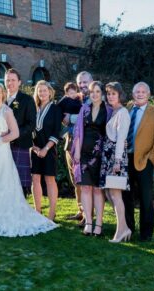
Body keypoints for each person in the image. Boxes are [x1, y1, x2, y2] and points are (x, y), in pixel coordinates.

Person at [0, 82, 57, 237]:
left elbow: (15, 133)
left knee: (1, 182)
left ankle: (2, 216)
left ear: (3, 94)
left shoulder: (7, 110)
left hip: (2, 152)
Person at [72, 81, 112, 236]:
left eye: (97, 91)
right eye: (91, 92)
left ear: (102, 93)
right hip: (83, 153)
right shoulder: (84, 108)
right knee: (85, 188)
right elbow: (77, 131)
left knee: (97, 190)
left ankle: (99, 224)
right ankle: (88, 222)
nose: (94, 94)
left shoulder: (108, 110)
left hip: (100, 155)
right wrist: (76, 151)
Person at [123, 82, 154, 242]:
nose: (140, 94)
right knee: (126, 196)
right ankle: (129, 228)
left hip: (144, 160)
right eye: (137, 91)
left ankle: (146, 233)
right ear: (133, 94)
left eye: (143, 92)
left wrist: (151, 159)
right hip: (126, 159)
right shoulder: (128, 109)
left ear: (149, 94)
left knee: (146, 198)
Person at [99, 82, 131, 242]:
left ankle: (121, 230)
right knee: (108, 192)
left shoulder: (123, 112)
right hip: (108, 155)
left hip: (115, 157)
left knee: (115, 194)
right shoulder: (113, 111)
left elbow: (121, 139)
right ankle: (124, 228)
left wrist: (117, 161)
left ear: (120, 95)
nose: (111, 96)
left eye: (113, 93)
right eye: (109, 93)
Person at [64, 71, 93, 225]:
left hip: (84, 147)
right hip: (69, 144)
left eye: (85, 82)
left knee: (85, 181)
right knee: (76, 180)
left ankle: (89, 216)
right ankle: (81, 211)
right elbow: (64, 116)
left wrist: (71, 118)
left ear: (92, 81)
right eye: (80, 83)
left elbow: (89, 119)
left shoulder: (95, 98)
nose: (82, 85)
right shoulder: (76, 98)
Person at [31, 81, 61, 221]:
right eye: (39, 91)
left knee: (50, 179)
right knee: (35, 178)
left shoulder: (55, 109)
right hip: (35, 149)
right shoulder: (33, 108)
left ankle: (51, 213)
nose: (42, 93)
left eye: (44, 90)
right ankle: (37, 211)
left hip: (49, 149)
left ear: (50, 92)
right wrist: (34, 146)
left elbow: (56, 131)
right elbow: (30, 129)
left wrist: (45, 148)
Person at [5, 68, 36, 196]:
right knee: (5, 181)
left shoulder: (27, 100)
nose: (10, 83)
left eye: (13, 80)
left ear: (19, 82)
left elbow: (31, 124)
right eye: (7, 80)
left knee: (20, 183)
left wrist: (13, 135)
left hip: (20, 145)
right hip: (2, 147)